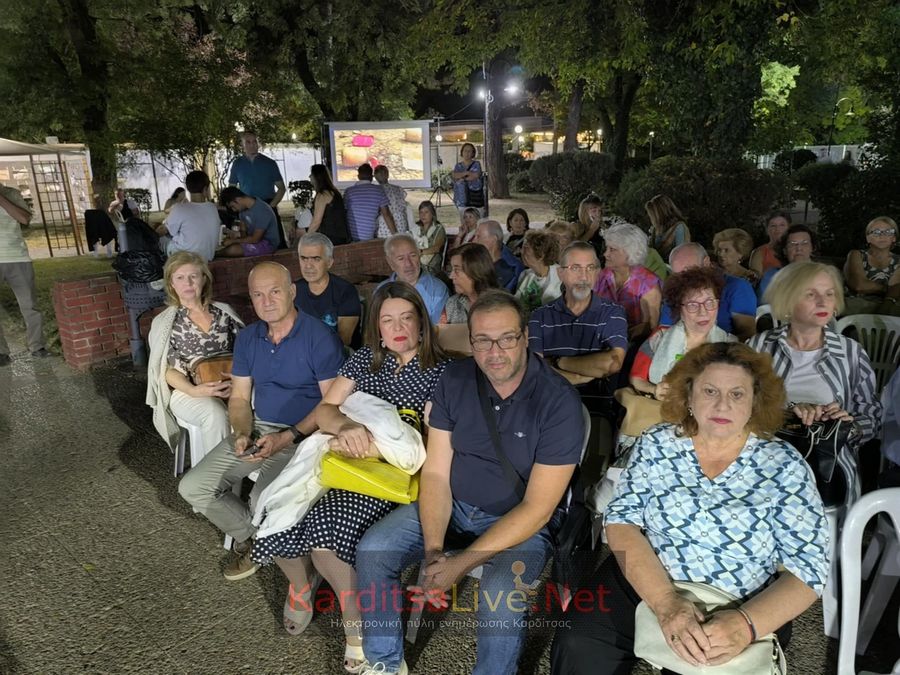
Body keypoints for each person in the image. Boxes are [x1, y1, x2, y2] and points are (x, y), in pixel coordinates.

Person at [551, 341, 830, 674]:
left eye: (737, 394)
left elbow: (809, 568)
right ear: (689, 395)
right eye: (709, 390)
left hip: (737, 598)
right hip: (650, 576)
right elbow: (621, 521)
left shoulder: (783, 464)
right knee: (579, 643)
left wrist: (745, 625)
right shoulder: (657, 443)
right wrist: (667, 604)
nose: (722, 404)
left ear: (755, 401)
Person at [356, 290, 585, 675]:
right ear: (471, 340)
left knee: (499, 591)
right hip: (456, 503)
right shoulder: (456, 379)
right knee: (374, 550)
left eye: (506, 338)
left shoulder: (557, 402)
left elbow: (538, 509)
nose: (494, 351)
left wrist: (460, 563)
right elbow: (435, 472)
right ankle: (383, 662)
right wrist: (433, 552)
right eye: (482, 340)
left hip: (519, 522)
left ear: (525, 337)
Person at [251, 282, 449, 672]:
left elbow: (435, 444)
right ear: (375, 325)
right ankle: (303, 586)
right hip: (347, 465)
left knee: (324, 531)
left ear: (421, 323)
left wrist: (379, 445)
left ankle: (354, 627)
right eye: (386, 319)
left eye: (406, 318)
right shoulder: (365, 360)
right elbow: (325, 410)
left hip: (398, 479)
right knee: (270, 509)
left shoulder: (443, 372)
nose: (397, 328)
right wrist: (344, 426)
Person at [177, 262, 344, 580]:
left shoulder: (319, 337)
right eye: (258, 294)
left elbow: (331, 405)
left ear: (292, 292)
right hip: (258, 429)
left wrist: (289, 436)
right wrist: (241, 431)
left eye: (275, 291)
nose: (266, 301)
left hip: (306, 437)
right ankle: (256, 540)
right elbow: (239, 398)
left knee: (260, 502)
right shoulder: (250, 337)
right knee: (193, 487)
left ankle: (272, 546)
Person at [748, 261, 882, 504]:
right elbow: (741, 407)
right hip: (766, 461)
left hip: (828, 468)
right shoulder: (759, 347)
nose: (823, 303)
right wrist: (788, 415)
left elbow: (871, 414)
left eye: (829, 294)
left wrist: (847, 425)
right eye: (811, 294)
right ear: (787, 300)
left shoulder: (850, 352)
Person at [529, 241, 628, 476]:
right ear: (561, 273)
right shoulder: (540, 317)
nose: (584, 276)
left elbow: (612, 363)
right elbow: (535, 370)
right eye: (575, 268)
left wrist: (559, 362)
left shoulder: (612, 313)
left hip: (596, 408)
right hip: (547, 407)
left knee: (590, 473)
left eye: (590, 268)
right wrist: (583, 373)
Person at [146, 252, 243, 454]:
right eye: (180, 278)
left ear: (203, 279)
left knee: (265, 401)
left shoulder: (225, 313)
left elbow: (246, 354)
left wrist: (240, 382)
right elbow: (166, 371)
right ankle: (215, 481)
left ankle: (257, 468)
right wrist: (195, 391)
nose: (188, 283)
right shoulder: (166, 323)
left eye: (193, 276)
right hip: (187, 391)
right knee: (214, 413)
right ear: (171, 284)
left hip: (232, 383)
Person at [630, 267, 735, 401]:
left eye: (709, 303)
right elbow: (636, 378)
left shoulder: (730, 344)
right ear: (679, 308)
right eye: (692, 305)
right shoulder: (659, 338)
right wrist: (654, 389)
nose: (703, 312)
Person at [661, 243, 756, 342]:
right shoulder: (675, 289)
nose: (684, 281)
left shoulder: (737, 287)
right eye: (678, 276)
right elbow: (664, 332)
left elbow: (748, 336)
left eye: (689, 273)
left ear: (706, 262)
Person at [0, 184, 48, 364]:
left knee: (30, 307)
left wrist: (1, 199)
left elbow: (24, 218)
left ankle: (37, 346)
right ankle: (1, 352)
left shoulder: (11, 193)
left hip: (17, 257)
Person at [593, 223, 661, 341]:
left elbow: (650, 326)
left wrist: (618, 337)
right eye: (606, 248)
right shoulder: (602, 276)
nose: (605, 254)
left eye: (612, 250)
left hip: (633, 345)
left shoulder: (648, 284)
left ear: (630, 252)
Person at [294, 233, 361, 346]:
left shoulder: (345, 291)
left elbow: (344, 339)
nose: (308, 266)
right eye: (304, 258)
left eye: (316, 259)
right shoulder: (293, 290)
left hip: (339, 355)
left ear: (329, 262)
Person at [378, 233, 448, 325]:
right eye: (401, 258)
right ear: (390, 262)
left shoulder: (437, 289)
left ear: (419, 255)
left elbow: (440, 331)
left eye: (413, 255)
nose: (408, 264)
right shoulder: (381, 290)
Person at [157, 170, 221, 262]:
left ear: (187, 188)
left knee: (162, 239)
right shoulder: (212, 208)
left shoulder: (180, 208)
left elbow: (163, 231)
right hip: (207, 256)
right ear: (205, 189)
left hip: (184, 257)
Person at [843, 216, 900, 314]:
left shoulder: (898, 261)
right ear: (868, 238)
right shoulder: (856, 255)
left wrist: (890, 292)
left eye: (888, 232)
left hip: (887, 307)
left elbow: (895, 291)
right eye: (876, 232)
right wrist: (886, 289)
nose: (882, 235)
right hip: (856, 306)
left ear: (894, 238)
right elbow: (859, 285)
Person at [756, 224, 819, 303]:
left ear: (812, 248)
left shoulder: (824, 275)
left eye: (804, 243)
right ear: (784, 250)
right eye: (792, 244)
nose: (799, 248)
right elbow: (764, 309)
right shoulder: (772, 277)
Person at [442, 243, 500, 324]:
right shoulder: (452, 304)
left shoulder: (501, 306)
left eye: (457, 270)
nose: (451, 276)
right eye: (451, 270)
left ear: (475, 271)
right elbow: (442, 333)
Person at [228, 131, 286, 209]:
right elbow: (231, 190)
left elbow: (281, 188)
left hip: (268, 205)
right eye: (248, 142)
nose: (252, 145)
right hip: (247, 208)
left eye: (254, 141)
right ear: (242, 145)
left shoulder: (270, 163)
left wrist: (271, 206)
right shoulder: (237, 164)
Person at [218, 187, 281, 257]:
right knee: (232, 247)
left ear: (238, 199)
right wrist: (234, 236)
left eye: (233, 206)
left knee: (232, 250)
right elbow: (243, 233)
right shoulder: (242, 211)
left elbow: (255, 239)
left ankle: (214, 255)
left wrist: (233, 241)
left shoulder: (263, 210)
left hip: (268, 245)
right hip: (254, 241)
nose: (234, 210)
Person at [344, 163, 396, 241]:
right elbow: (387, 215)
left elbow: (345, 212)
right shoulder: (378, 190)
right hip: (369, 236)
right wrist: (396, 235)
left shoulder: (348, 191)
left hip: (351, 236)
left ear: (358, 176)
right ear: (372, 177)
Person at [515, 229, 562, 313]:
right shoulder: (525, 274)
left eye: (526, 248)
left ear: (541, 255)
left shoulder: (561, 277)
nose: (521, 252)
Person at [473, 219, 525, 292]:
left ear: (494, 239)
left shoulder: (511, 268)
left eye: (478, 236)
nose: (474, 241)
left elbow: (496, 297)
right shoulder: (479, 257)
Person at [307, 164, 351, 245]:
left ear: (317, 177)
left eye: (311, 174)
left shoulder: (323, 194)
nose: (309, 177)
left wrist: (306, 239)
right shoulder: (333, 192)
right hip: (340, 236)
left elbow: (316, 221)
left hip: (331, 237)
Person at [645, 194, 690, 261]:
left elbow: (681, 256)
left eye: (652, 215)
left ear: (659, 214)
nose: (651, 218)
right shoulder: (655, 229)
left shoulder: (679, 228)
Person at [749, 210, 790, 276]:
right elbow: (755, 281)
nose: (777, 229)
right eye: (773, 225)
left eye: (782, 225)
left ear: (789, 228)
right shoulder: (760, 253)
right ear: (767, 230)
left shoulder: (796, 249)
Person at [412, 200, 446, 275]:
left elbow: (437, 248)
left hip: (432, 262)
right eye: (421, 212)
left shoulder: (438, 228)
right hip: (415, 259)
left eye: (426, 212)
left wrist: (420, 252)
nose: (423, 215)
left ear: (432, 214)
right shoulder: (415, 228)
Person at [451, 142, 484, 220]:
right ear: (462, 152)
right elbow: (455, 175)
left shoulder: (476, 164)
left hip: (474, 197)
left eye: (470, 151)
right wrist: (467, 173)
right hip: (461, 198)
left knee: (477, 221)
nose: (467, 153)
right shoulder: (458, 165)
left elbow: (475, 176)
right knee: (464, 221)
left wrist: (461, 177)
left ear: (473, 153)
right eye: (465, 151)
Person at [374, 165, 409, 237]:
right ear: (388, 175)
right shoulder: (398, 189)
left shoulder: (376, 191)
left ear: (375, 177)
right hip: (401, 223)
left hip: (385, 225)